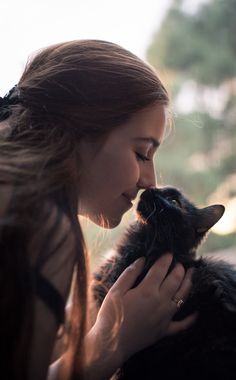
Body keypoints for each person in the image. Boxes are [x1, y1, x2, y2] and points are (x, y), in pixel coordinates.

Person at [0, 40, 196, 380]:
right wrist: (112, 343)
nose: (150, 181)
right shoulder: (43, 223)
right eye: (142, 153)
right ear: (82, 131)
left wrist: (87, 316)